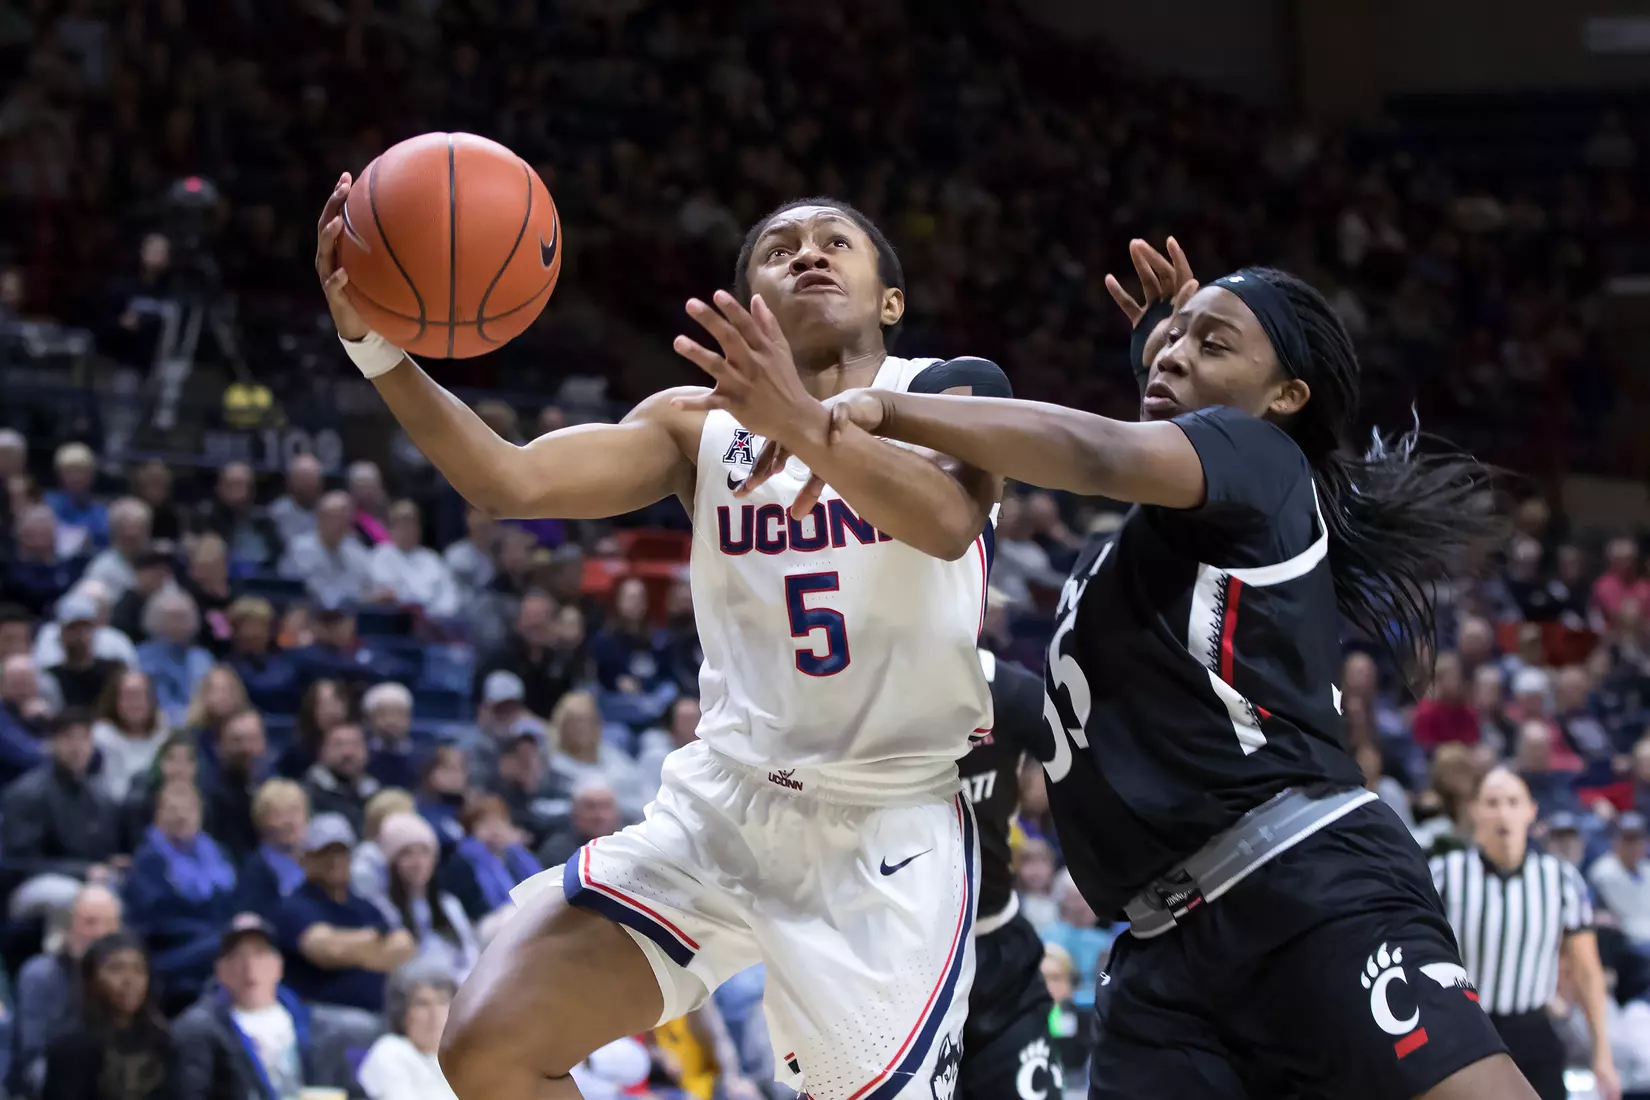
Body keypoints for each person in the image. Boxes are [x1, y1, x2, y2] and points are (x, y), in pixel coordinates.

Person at [748, 239, 1530, 1098]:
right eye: (1174, 339)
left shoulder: (1262, 462)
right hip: (1162, 951)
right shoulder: (1173, 530)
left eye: (1214, 344)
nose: (1176, 352)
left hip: (1303, 885)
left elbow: (1097, 452)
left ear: (1286, 398)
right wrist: (1175, 351)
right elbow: (1139, 451)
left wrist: (884, 410)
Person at [322, 185, 1005, 1100]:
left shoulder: (951, 391)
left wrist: (804, 424)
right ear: (753, 305)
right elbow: (509, 482)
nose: (807, 251)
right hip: (725, 802)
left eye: (835, 240)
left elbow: (948, 521)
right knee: (489, 1047)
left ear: (890, 299)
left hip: (884, 826)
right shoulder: (696, 425)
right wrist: (376, 346)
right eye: (779, 246)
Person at [1432, 768, 1617, 1100]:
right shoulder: (1446, 874)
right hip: (1466, 1030)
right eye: (1492, 802)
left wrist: (1601, 1053)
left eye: (1512, 802)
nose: (1503, 812)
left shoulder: (1561, 879)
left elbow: (1587, 971)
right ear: (1475, 810)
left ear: (1531, 811)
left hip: (1533, 1031)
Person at [955, 648, 1061, 1099]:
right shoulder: (857, 693)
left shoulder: (1012, 693)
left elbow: (1089, 778)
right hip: (894, 966)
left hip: (995, 947)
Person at [272, 813, 415, 1013]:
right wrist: (375, 939)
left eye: (342, 852)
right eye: (326, 853)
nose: (335, 861)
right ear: (308, 859)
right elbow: (325, 950)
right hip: (324, 1013)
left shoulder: (364, 905)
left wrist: (347, 949)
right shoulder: (295, 905)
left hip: (379, 1011)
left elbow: (404, 946)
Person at [173, 914, 319, 1100]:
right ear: (220, 970)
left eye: (259, 954)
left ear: (278, 965)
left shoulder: (312, 1023)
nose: (250, 967)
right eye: (237, 956)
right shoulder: (199, 1030)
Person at [122, 782, 240, 1007]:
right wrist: (211, 932)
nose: (182, 816)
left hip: (214, 942)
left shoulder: (219, 853)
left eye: (188, 809)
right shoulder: (149, 860)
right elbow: (152, 922)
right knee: (226, 947)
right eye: (173, 809)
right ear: (158, 816)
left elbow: (234, 904)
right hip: (171, 953)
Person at [2, 710, 122, 921]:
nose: (77, 747)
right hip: (31, 889)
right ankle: (63, 953)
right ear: (52, 743)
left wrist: (112, 862)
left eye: (84, 738)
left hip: (89, 881)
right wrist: (82, 871)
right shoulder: (26, 793)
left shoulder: (98, 795)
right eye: (68, 738)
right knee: (75, 896)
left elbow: (100, 855)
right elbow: (19, 864)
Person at [16, 885, 123, 1099]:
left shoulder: (129, 977)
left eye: (109, 924)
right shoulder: (41, 976)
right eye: (90, 922)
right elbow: (31, 1059)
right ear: (69, 926)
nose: (100, 933)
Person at [41, 932, 173, 1100]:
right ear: (91, 978)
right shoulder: (70, 1046)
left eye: (139, 970)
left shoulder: (162, 1039)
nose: (129, 980)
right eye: (116, 969)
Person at [369, 812, 479, 980]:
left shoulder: (448, 904)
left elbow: (469, 954)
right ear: (392, 862)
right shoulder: (382, 907)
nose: (418, 862)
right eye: (407, 853)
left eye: (424, 852)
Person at [357, 966, 461, 1100]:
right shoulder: (390, 1051)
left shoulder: (461, 1058)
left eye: (443, 1002)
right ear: (402, 1013)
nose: (435, 1014)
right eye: (422, 1004)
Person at [91, 670, 169, 803]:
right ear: (115, 700)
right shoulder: (100, 736)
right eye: (127, 696)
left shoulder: (164, 737)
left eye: (139, 695)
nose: (134, 703)